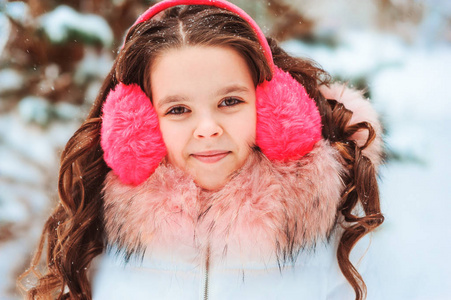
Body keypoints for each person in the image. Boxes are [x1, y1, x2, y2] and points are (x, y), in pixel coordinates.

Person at [19, 0, 384, 299]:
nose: (208, 129)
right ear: (136, 123)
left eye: (230, 101)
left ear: (277, 107)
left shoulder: (332, 229)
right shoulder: (98, 228)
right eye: (178, 109)